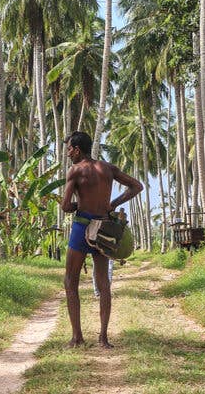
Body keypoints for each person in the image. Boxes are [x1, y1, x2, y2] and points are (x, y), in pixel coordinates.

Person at [61, 131, 144, 349]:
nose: (68, 153)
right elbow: (137, 186)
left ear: (77, 149)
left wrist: (79, 205)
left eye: (69, 149)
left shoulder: (76, 170)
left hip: (82, 226)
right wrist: (113, 204)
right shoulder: (107, 168)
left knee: (71, 281)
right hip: (104, 227)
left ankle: (77, 337)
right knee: (103, 283)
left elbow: (65, 206)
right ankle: (104, 338)